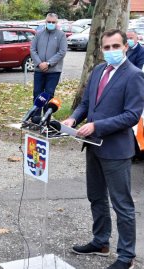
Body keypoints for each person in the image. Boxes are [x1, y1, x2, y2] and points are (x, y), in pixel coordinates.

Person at [63, 29, 144, 269]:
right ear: (101, 49)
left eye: (115, 47)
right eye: (106, 48)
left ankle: (126, 256)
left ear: (125, 47)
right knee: (96, 197)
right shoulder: (98, 70)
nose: (111, 51)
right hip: (93, 147)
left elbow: (131, 115)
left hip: (116, 150)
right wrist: (73, 119)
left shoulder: (134, 75)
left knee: (122, 204)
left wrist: (97, 125)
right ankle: (100, 242)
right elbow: (86, 103)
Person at [30, 13, 67, 116]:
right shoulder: (39, 34)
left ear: (57, 22)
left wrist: (49, 63)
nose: (51, 23)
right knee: (37, 94)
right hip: (39, 70)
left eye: (53, 22)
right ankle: (35, 119)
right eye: (49, 22)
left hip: (54, 71)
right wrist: (39, 63)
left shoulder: (61, 35)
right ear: (45, 22)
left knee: (49, 95)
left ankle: (46, 120)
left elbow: (62, 51)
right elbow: (33, 49)